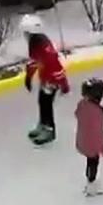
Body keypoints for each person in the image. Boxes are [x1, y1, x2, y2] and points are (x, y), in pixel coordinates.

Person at [22, 15, 69, 145]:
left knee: (46, 104)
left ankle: (49, 130)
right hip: (46, 78)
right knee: (42, 101)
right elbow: (34, 62)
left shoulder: (40, 45)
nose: (24, 36)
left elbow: (54, 65)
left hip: (51, 80)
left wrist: (63, 83)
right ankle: (43, 125)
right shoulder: (36, 42)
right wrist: (29, 77)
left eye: (25, 33)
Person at [75, 78, 103, 196]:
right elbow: (98, 132)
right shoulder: (97, 113)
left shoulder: (82, 104)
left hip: (82, 140)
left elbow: (77, 114)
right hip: (92, 145)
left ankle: (90, 180)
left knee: (90, 162)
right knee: (93, 163)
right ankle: (91, 183)